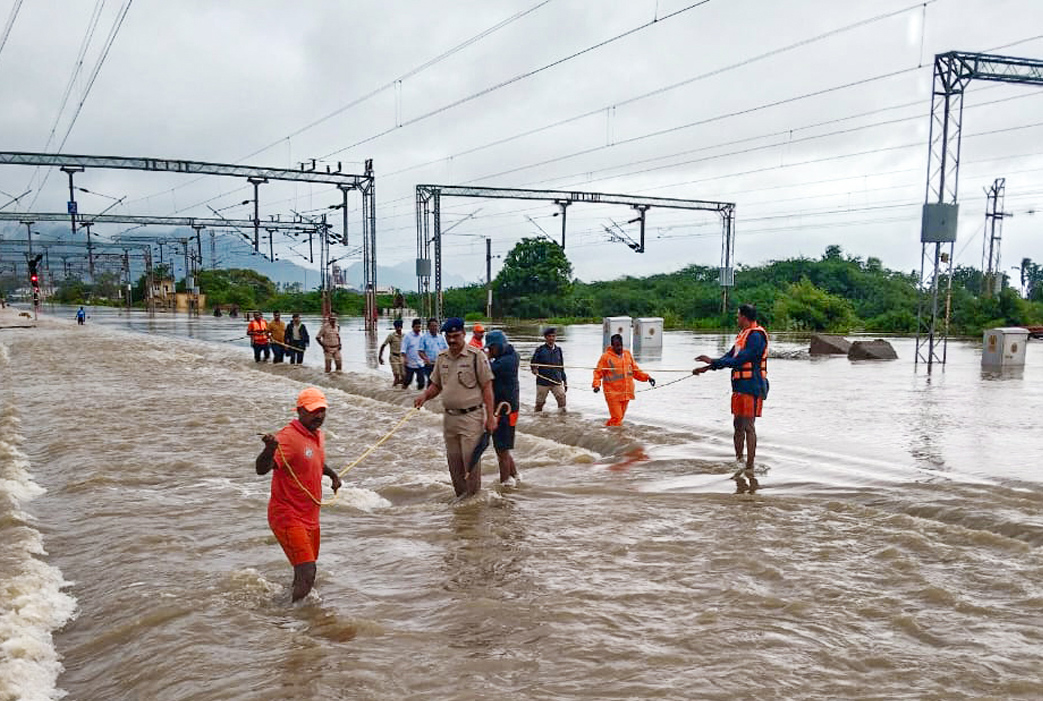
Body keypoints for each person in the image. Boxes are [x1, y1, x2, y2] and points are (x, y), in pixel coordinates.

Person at [255, 387, 342, 602]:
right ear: (300, 411)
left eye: (322, 410)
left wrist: (332, 475)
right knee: (308, 572)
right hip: (287, 516)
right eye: (313, 411)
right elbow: (261, 469)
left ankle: (284, 608)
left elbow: (314, 460)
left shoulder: (317, 435)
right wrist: (269, 449)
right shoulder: (288, 438)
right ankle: (291, 622)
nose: (319, 416)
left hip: (310, 516)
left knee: (304, 572)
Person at [414, 317, 497, 498]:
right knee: (454, 462)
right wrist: (424, 396)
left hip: (471, 417)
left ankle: (474, 499)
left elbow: (487, 387)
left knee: (470, 461)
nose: (452, 340)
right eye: (449, 336)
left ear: (464, 334)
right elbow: (436, 385)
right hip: (450, 419)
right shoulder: (442, 358)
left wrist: (490, 417)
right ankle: (462, 501)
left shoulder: (477, 356)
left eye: (456, 336)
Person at [693, 303, 769, 493]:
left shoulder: (757, 336)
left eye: (738, 316)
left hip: (753, 385)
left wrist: (714, 362)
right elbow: (730, 356)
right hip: (739, 385)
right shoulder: (742, 335)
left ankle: (750, 467)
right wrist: (708, 367)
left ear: (744, 317)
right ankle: (739, 461)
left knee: (749, 426)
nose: (736, 319)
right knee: (737, 425)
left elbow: (740, 359)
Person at [592, 334, 655, 426]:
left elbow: (635, 371)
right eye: (617, 346)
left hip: (626, 393)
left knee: (619, 418)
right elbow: (598, 372)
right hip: (612, 393)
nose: (619, 348)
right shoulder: (605, 357)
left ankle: (607, 431)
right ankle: (614, 436)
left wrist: (647, 378)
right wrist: (596, 385)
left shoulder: (627, 355)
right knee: (617, 418)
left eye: (620, 345)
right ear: (612, 346)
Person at [485, 330, 520, 487]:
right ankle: (515, 477)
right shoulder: (508, 356)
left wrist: (484, 359)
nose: (489, 352)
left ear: (498, 346)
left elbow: (486, 370)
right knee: (503, 448)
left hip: (505, 410)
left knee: (501, 450)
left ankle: (505, 485)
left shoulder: (507, 361)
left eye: (491, 349)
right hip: (505, 408)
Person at [530, 327, 567, 412]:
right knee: (539, 404)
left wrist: (565, 381)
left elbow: (561, 366)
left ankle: (562, 420)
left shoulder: (558, 350)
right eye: (549, 336)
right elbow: (533, 363)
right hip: (543, 381)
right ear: (545, 337)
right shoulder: (540, 350)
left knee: (562, 401)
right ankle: (538, 419)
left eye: (553, 336)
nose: (551, 338)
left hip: (556, 380)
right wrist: (534, 369)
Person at [419, 317, 448, 385]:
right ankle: (429, 394)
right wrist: (426, 359)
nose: (434, 328)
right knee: (431, 382)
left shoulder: (441, 337)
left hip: (440, 363)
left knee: (441, 382)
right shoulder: (424, 338)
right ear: (428, 327)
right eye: (432, 326)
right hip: (429, 365)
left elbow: (446, 349)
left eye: (435, 326)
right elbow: (420, 351)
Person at [379, 319, 405, 388]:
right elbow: (383, 345)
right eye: (397, 327)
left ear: (402, 327)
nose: (399, 328)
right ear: (395, 327)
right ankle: (392, 390)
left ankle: (402, 391)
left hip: (402, 357)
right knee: (396, 375)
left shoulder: (404, 336)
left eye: (400, 326)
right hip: (394, 357)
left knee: (404, 377)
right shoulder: (391, 336)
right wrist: (380, 357)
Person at [401, 318, 426, 389]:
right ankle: (402, 393)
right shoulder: (408, 337)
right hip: (409, 363)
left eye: (419, 327)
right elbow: (403, 349)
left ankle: (418, 396)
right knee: (407, 381)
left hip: (420, 363)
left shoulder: (422, 337)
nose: (418, 329)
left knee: (421, 383)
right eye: (417, 327)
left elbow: (424, 349)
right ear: (413, 327)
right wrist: (405, 359)